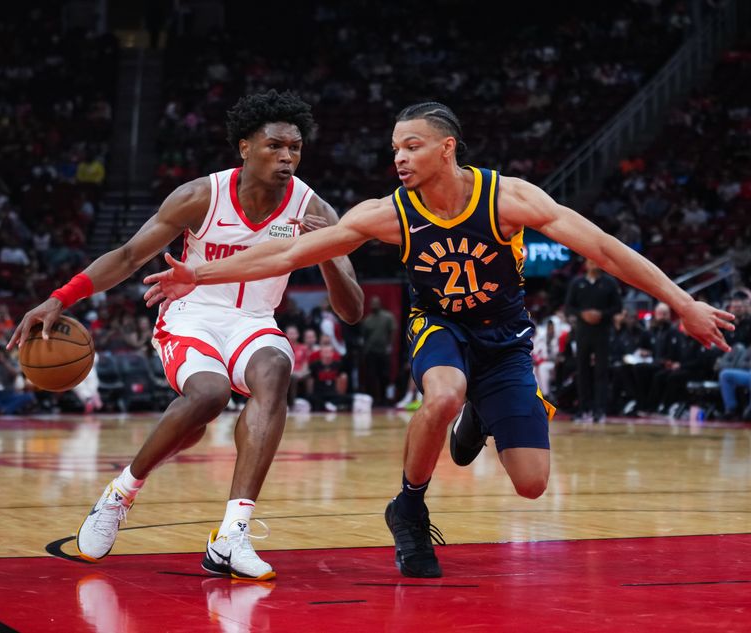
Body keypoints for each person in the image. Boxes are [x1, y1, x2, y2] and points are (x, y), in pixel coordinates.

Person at [143, 101, 734, 578]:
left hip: (504, 342)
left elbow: (604, 247)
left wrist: (681, 303)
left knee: (531, 486)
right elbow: (292, 250)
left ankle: (483, 409)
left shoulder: (510, 199)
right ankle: (410, 504)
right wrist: (198, 273)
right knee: (443, 393)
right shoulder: (390, 213)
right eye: (395, 148)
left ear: (447, 149)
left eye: (412, 146)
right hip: (440, 326)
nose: (398, 157)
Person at [7, 90, 364, 580]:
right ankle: (119, 496)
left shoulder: (311, 207)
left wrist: (325, 248)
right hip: (191, 315)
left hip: (255, 321)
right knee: (210, 394)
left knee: (275, 368)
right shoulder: (202, 196)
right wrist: (59, 298)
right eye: (275, 146)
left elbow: (352, 310)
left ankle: (231, 535)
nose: (287, 157)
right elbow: (131, 256)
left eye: (295, 148)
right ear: (244, 147)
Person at [564, 258, 622, 423]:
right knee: (582, 370)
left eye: (596, 260)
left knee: (601, 371)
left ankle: (600, 410)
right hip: (582, 332)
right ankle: (583, 409)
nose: (593, 263)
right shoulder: (577, 282)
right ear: (585, 264)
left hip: (602, 331)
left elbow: (617, 307)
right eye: (590, 260)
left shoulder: (610, 283)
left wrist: (601, 314)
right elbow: (569, 306)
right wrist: (582, 314)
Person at [360, 295, 396, 405]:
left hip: (383, 352)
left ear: (380, 304)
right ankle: (373, 399)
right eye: (372, 303)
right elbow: (364, 336)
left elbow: (393, 331)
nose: (374, 305)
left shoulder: (388, 317)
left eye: (376, 303)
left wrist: (390, 345)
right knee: (371, 376)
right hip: (371, 352)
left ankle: (384, 398)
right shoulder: (367, 320)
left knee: (384, 375)